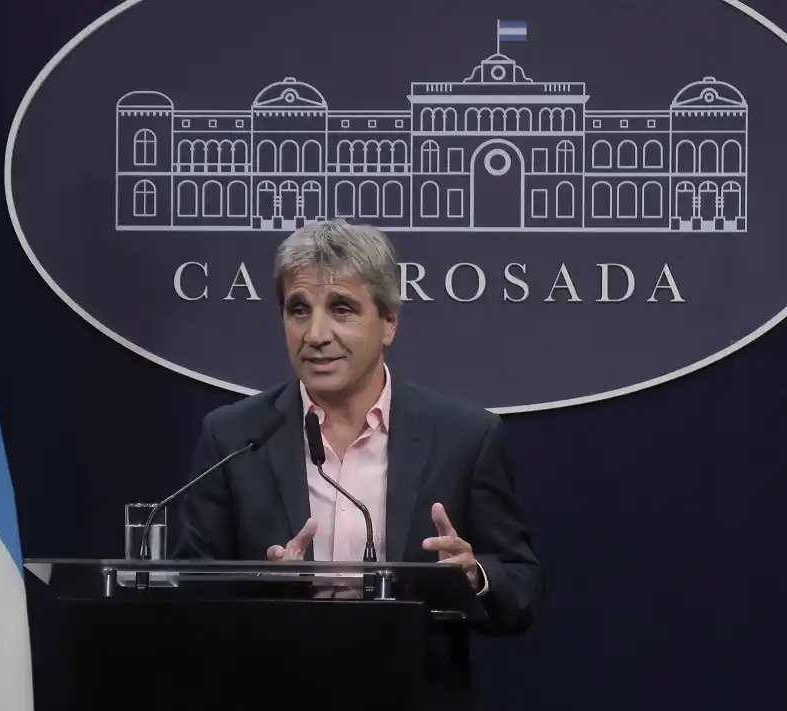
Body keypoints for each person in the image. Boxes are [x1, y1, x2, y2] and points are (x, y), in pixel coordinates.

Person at [177, 219, 542, 707]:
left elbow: (520, 587)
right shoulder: (234, 436)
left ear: (389, 323)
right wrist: (262, 590)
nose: (316, 334)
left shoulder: (464, 437)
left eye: (342, 309)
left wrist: (473, 576)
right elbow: (184, 597)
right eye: (298, 310)